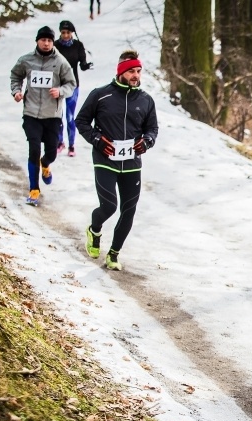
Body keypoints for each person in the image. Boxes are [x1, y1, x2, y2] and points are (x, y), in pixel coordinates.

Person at [76, 50, 158, 271]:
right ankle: (94, 230)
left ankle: (114, 253)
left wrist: (147, 141)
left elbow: (152, 129)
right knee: (110, 205)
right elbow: (81, 121)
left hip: (132, 163)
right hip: (105, 159)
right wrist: (97, 140)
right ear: (121, 72)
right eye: (131, 71)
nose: (136, 75)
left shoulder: (145, 100)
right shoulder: (100, 95)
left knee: (129, 209)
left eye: (138, 71)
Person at [10, 26, 77, 206]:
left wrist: (61, 91)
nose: (46, 43)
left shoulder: (61, 62)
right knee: (33, 148)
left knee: (51, 153)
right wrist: (16, 91)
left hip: (52, 115)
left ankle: (45, 165)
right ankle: (34, 189)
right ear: (37, 41)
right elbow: (15, 76)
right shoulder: (26, 60)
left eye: (49, 40)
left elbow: (72, 83)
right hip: (31, 113)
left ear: (52, 42)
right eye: (43, 40)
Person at [55, 20, 92, 157]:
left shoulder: (78, 45)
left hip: (72, 85)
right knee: (58, 115)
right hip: (58, 84)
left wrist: (86, 65)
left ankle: (71, 145)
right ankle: (60, 142)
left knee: (70, 117)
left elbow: (82, 65)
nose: (65, 35)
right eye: (63, 32)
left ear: (72, 33)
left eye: (68, 32)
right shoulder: (55, 45)